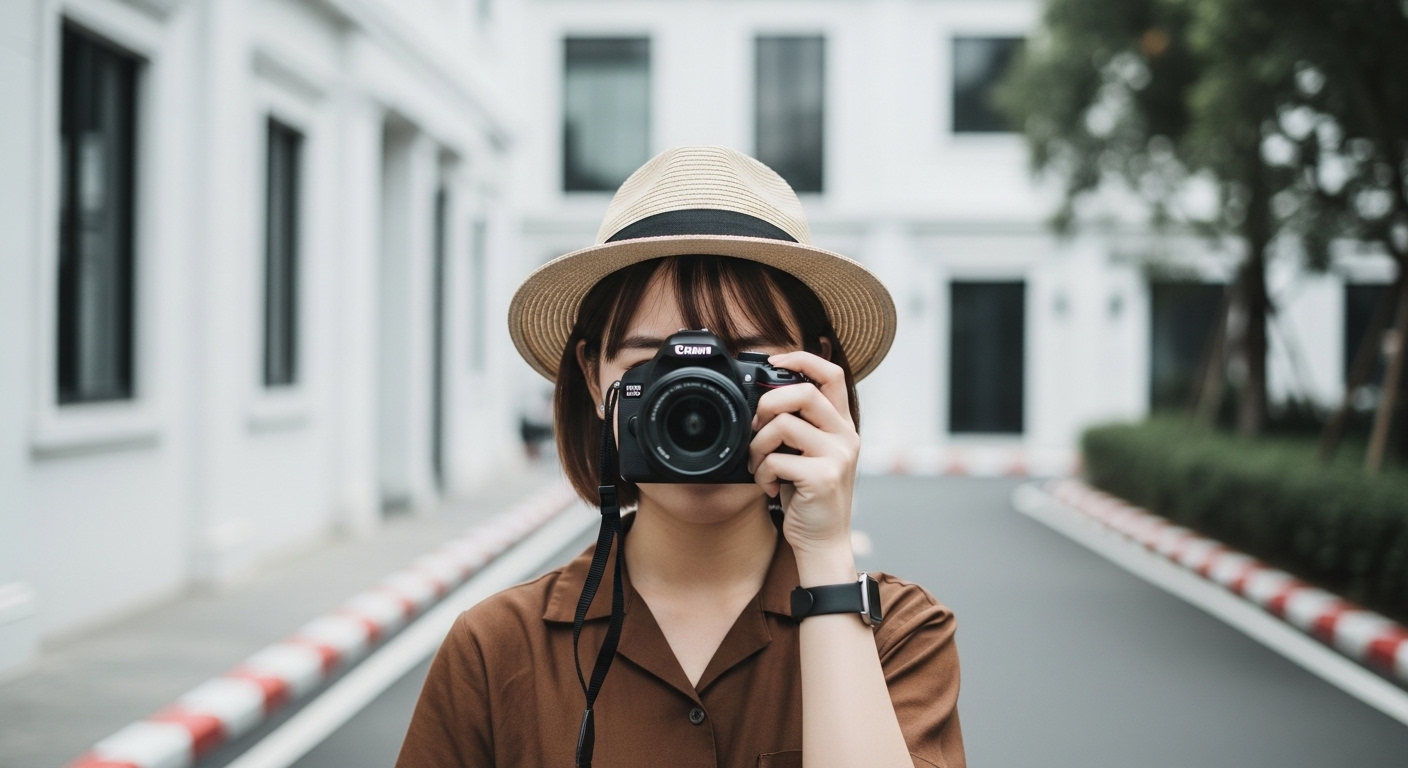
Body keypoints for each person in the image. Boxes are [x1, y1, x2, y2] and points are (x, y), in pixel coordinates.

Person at [395, 146, 964, 768]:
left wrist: (827, 558)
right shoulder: (497, 649)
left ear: (816, 371)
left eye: (742, 363)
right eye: (651, 366)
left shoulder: (899, 635)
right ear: (595, 381)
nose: (695, 402)